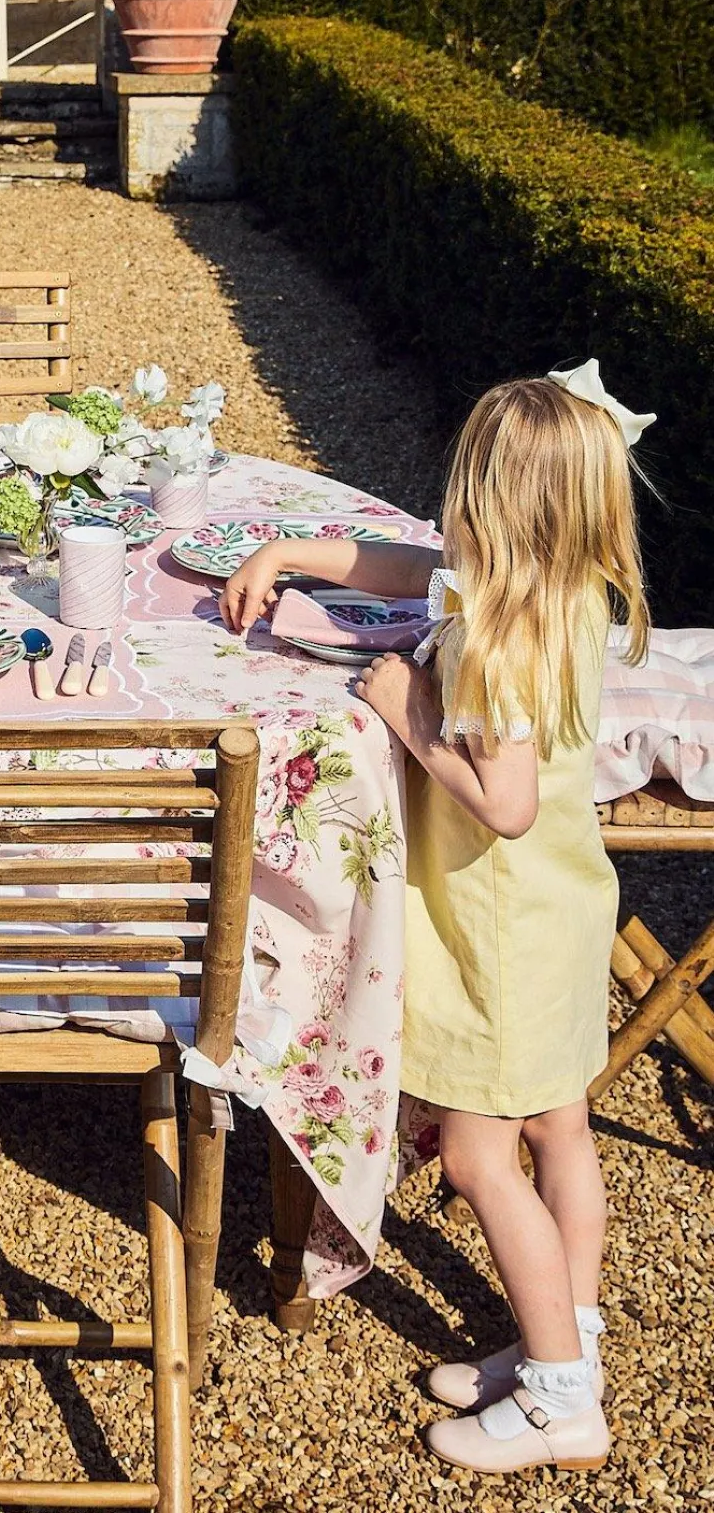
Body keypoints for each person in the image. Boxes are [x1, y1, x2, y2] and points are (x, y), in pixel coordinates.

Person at [221, 362, 652, 1475]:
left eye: (463, 490)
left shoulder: (497, 637)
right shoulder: (552, 588)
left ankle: (560, 1401)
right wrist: (292, 552)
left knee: (475, 1157)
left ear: (500, 508)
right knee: (561, 1130)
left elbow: (499, 802)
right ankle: (568, 1337)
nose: (446, 508)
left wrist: (405, 712)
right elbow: (419, 565)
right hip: (564, 911)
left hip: (494, 935)